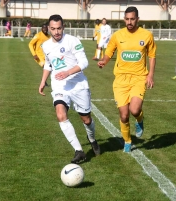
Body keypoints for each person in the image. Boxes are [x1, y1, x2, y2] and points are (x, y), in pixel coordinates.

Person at [39, 14, 100, 164]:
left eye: (59, 28)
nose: (56, 32)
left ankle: (91, 138)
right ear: (49, 28)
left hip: (78, 84)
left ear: (63, 27)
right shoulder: (45, 46)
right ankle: (79, 151)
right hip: (60, 86)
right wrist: (43, 81)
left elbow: (84, 62)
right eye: (53, 29)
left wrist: (68, 72)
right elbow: (49, 64)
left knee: (86, 119)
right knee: (60, 114)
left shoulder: (73, 41)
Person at [97, 7, 156, 152]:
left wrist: (150, 75)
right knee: (124, 115)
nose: (129, 22)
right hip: (121, 80)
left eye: (132, 19)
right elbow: (109, 52)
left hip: (138, 78)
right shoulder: (117, 35)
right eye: (127, 19)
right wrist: (104, 61)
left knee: (135, 110)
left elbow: (152, 56)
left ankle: (140, 120)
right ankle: (127, 141)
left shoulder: (147, 35)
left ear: (137, 19)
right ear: (124, 19)